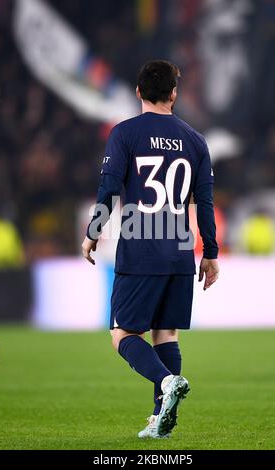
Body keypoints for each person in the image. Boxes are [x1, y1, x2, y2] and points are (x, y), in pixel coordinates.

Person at [82, 60, 219, 438]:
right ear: (174, 94)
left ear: (139, 92)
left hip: (140, 244)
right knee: (166, 333)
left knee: (122, 334)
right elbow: (203, 203)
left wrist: (92, 232)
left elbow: (109, 189)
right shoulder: (195, 140)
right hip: (178, 247)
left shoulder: (124, 133)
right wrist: (211, 253)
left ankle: (164, 382)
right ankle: (160, 420)